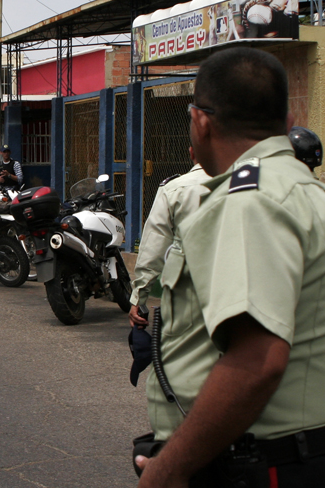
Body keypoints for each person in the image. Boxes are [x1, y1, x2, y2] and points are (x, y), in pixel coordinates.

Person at [136, 47, 325, 487]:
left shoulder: (250, 203)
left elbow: (257, 362)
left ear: (201, 121)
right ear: (289, 120)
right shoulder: (305, 192)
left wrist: (167, 471)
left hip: (259, 462)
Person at [128, 148, 209, 328]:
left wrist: (139, 297)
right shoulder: (250, 185)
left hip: (187, 300)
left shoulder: (174, 189)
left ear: (191, 153)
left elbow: (154, 245)